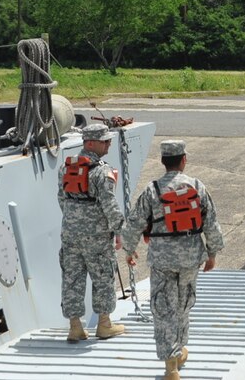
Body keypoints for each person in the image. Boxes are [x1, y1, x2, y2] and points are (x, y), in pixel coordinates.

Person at [121, 140, 224, 380]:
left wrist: (129, 249)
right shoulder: (197, 186)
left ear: (162, 161)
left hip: (162, 259)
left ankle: (171, 367)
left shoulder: (152, 189)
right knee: (183, 304)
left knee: (163, 308)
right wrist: (213, 253)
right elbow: (211, 223)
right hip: (190, 257)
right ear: (184, 159)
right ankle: (179, 351)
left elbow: (135, 221)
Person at [58, 123, 126, 343]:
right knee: (103, 277)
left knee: (72, 278)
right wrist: (119, 231)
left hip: (70, 234)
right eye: (104, 140)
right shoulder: (101, 171)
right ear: (90, 143)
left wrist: (75, 221)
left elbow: (61, 199)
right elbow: (110, 205)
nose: (108, 143)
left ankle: (75, 327)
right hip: (97, 237)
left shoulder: (65, 168)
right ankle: (105, 325)